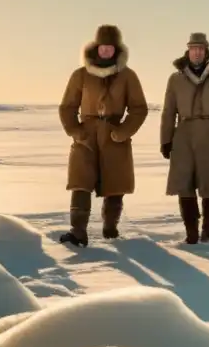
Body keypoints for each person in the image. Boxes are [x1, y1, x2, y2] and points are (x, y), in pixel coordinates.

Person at [58, 24, 149, 246]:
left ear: (116, 49)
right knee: (80, 182)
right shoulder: (80, 75)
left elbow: (139, 108)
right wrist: (76, 131)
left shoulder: (127, 76)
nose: (106, 51)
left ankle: (110, 231)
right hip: (86, 135)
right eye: (102, 47)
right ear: (96, 47)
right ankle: (78, 231)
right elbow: (67, 107)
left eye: (110, 47)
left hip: (114, 134)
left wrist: (122, 132)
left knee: (115, 184)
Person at [160, 32, 209, 243]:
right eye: (193, 48)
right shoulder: (176, 79)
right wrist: (166, 139)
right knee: (184, 184)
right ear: (188, 50)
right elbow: (168, 111)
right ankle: (191, 231)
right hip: (183, 134)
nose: (197, 52)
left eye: (201, 49)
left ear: (206, 51)